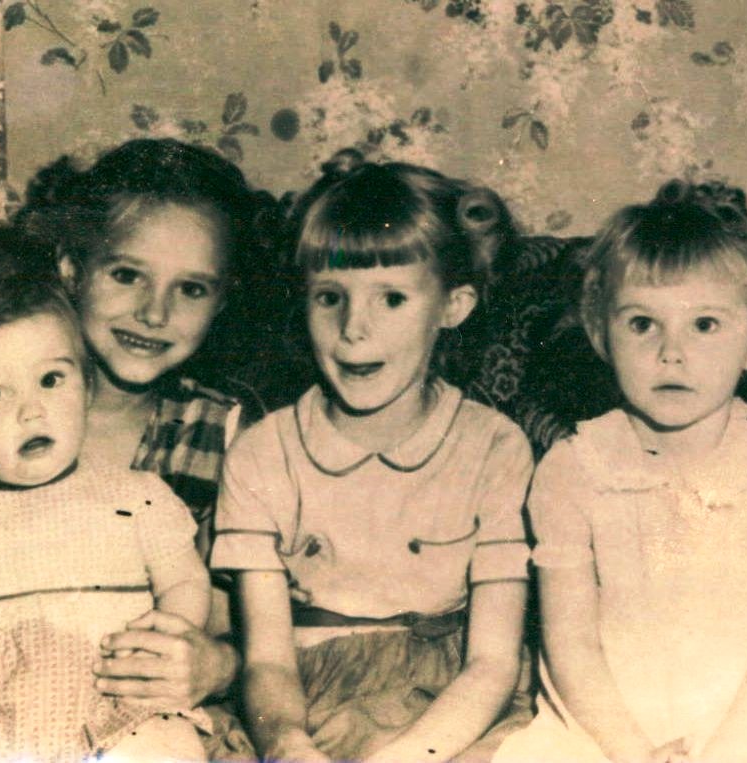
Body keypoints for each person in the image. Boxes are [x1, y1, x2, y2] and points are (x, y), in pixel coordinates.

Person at [0, 138, 272, 729]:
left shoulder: (223, 433)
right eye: (127, 275)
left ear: (222, 301)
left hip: (127, 718)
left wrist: (214, 667)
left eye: (191, 288)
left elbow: (235, 629)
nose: (154, 313)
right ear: (72, 269)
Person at [494, 181, 747, 763]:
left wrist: (726, 753)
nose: (670, 352)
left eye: (704, 325)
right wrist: (634, 753)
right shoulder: (572, 469)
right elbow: (571, 648)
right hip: (606, 728)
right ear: (600, 334)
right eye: (641, 324)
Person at [210, 152, 534, 763]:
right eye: (330, 297)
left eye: (391, 298)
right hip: (303, 702)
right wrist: (286, 744)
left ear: (453, 306)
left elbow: (492, 665)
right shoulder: (262, 454)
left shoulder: (494, 447)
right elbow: (268, 661)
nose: (354, 328)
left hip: (451, 711)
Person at [0, 253, 209, 762]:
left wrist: (170, 635)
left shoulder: (139, 496)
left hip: (117, 707)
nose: (30, 410)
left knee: (167, 742)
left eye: (51, 380)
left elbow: (185, 581)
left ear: (86, 388)